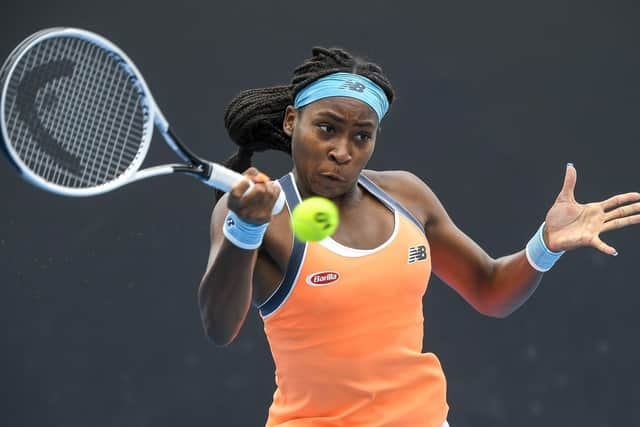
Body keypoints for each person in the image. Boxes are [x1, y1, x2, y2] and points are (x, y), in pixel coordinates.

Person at [197, 47, 640, 427]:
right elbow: (220, 327)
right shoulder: (256, 215)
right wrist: (246, 229)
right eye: (327, 128)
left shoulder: (406, 195)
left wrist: (544, 244)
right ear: (293, 121)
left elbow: (489, 290)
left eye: (362, 136)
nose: (342, 151)